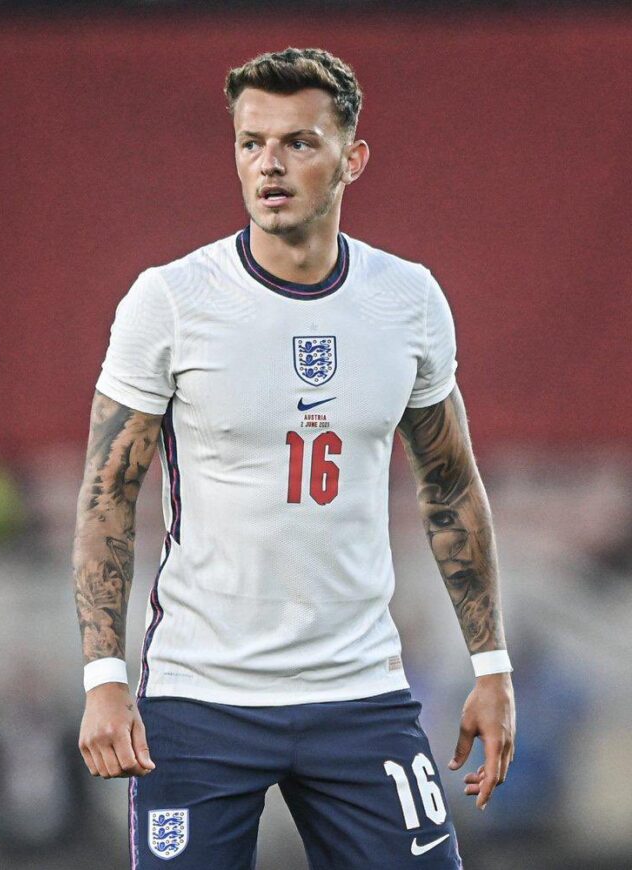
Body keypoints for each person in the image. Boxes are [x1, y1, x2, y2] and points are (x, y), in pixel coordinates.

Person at [73, 47, 515, 870]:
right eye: (252, 143)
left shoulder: (409, 300)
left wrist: (492, 668)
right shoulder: (170, 301)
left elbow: (451, 486)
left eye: (299, 142)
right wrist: (104, 676)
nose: (269, 164)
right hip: (201, 698)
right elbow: (107, 497)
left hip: (360, 693)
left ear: (353, 159)